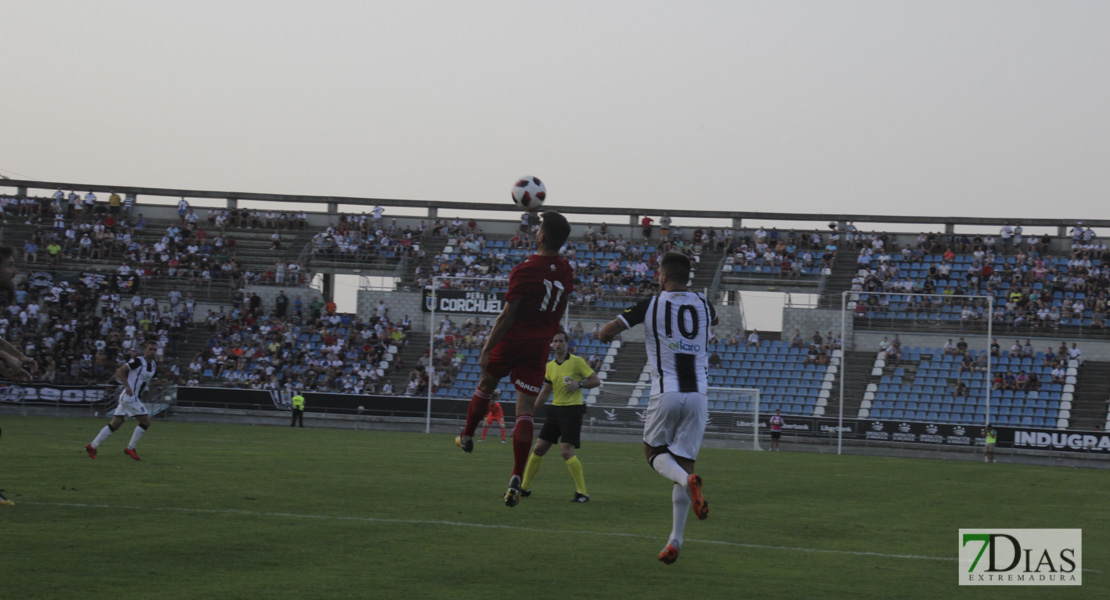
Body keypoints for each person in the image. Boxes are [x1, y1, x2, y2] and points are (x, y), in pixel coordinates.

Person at [599, 251, 717, 565]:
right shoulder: (704, 304)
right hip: (698, 396)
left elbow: (607, 332)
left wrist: (602, 333)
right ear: (687, 278)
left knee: (653, 453)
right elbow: (713, 319)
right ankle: (675, 540)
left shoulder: (650, 304)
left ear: (662, 276)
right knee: (684, 465)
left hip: (666, 391)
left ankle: (685, 485)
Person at [455, 211, 574, 508]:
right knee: (524, 410)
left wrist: (486, 348)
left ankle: (467, 436)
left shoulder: (524, 269)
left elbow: (508, 316)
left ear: (542, 236)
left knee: (487, 382)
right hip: (538, 345)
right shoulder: (566, 270)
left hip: (513, 339)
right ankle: (516, 477)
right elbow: (561, 307)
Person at [521, 330, 601, 503]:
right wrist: (530, 412)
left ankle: (582, 493)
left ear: (567, 343)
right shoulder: (549, 366)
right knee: (538, 449)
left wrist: (579, 384)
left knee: (566, 450)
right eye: (555, 341)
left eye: (561, 341)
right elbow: (546, 392)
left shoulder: (577, 362)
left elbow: (596, 380)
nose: (557, 344)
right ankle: (524, 488)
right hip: (555, 410)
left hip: (572, 411)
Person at [85, 340, 159, 461]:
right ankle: (130, 447)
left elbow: (149, 381)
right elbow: (120, 371)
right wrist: (127, 386)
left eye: (155, 349)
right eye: (150, 349)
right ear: (145, 349)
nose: (152, 352)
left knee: (115, 424)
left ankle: (92, 446)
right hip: (129, 397)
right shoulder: (137, 361)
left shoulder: (154, 365)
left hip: (132, 398)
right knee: (146, 422)